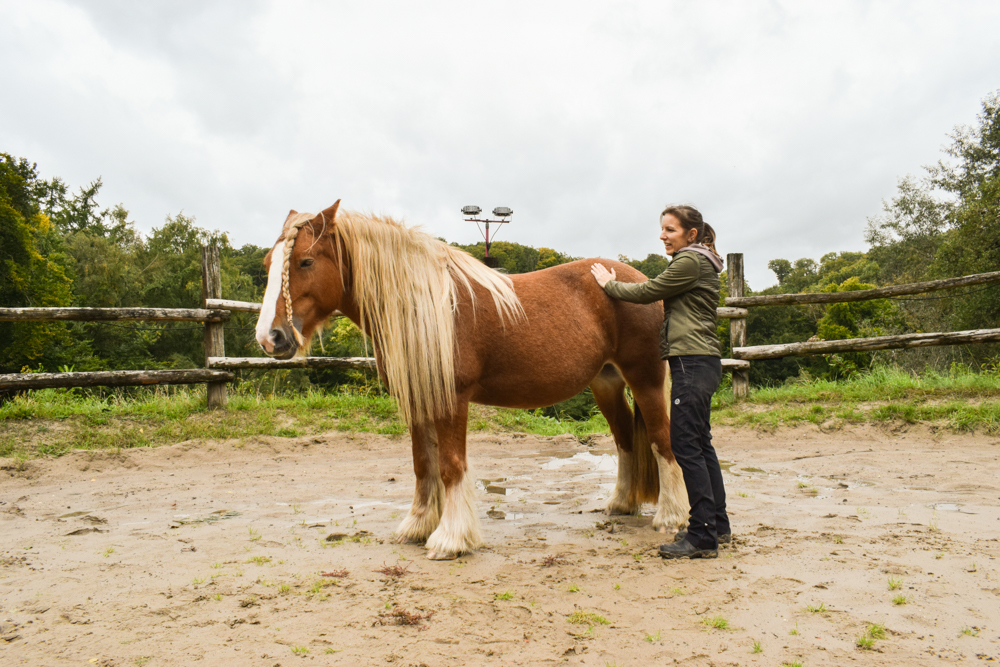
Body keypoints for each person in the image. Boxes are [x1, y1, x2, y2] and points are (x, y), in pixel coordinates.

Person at [590, 205, 730, 559]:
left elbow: (648, 292)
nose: (663, 236)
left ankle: (701, 536)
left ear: (691, 234)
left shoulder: (689, 262)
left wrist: (610, 285)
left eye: (670, 230)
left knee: (686, 447)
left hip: (691, 362)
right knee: (701, 444)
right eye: (662, 229)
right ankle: (718, 524)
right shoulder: (702, 260)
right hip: (702, 360)